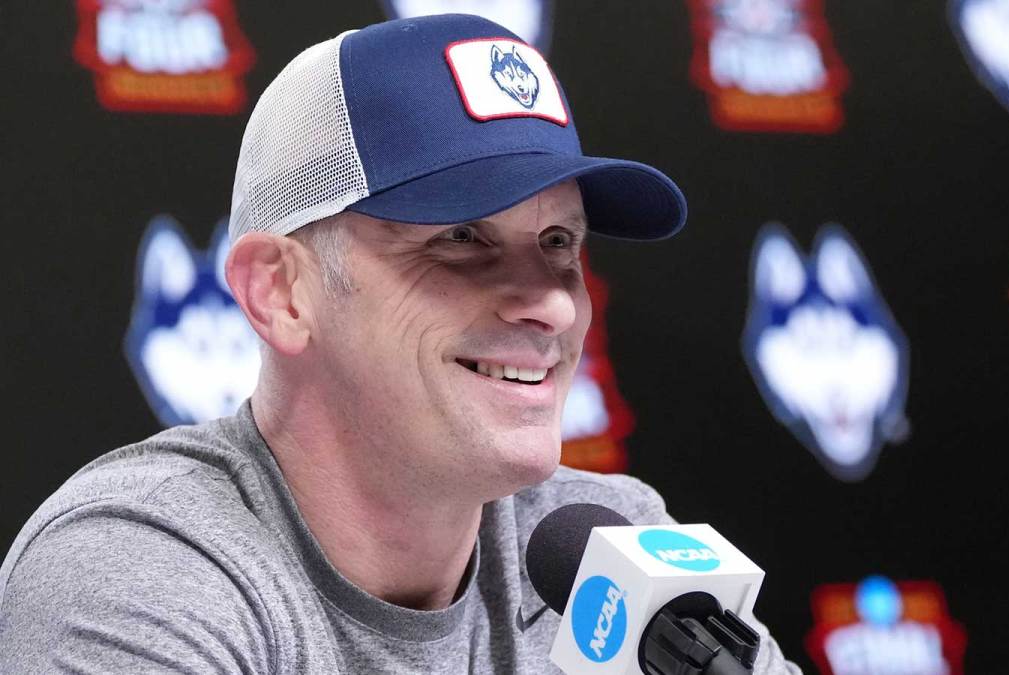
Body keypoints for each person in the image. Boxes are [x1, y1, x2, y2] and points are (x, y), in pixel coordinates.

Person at [0, 14, 801, 674]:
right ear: (282, 293)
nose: (553, 302)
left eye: (560, 240)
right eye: (460, 236)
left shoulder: (606, 549)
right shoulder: (141, 568)